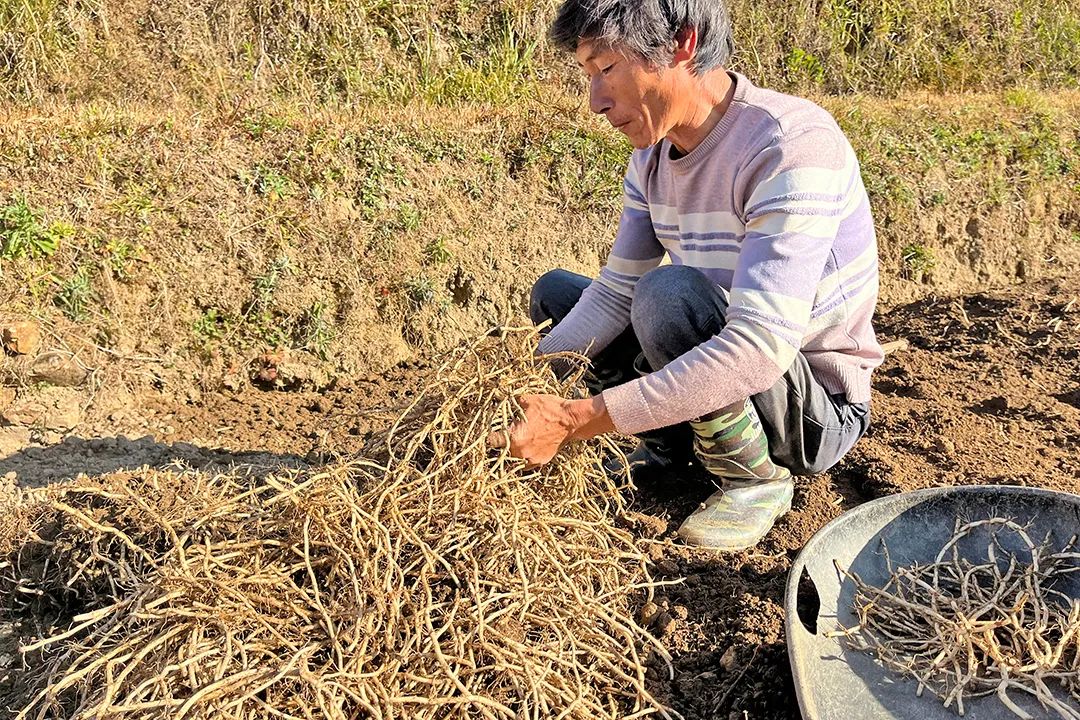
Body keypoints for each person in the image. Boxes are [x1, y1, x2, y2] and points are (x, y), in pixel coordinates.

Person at [490, 0, 884, 551]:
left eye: (606, 70)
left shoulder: (789, 146)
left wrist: (576, 419)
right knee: (559, 294)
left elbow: (757, 347)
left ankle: (754, 480)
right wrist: (515, 387)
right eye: (587, 76)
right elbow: (613, 295)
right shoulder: (652, 158)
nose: (595, 101)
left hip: (809, 408)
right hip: (722, 366)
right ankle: (669, 448)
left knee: (668, 293)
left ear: (682, 44)